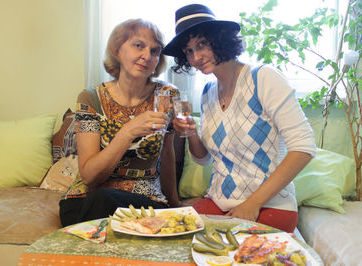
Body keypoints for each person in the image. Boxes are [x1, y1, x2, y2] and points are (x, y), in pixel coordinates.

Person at [162, 4, 316, 233]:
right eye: (189, 51)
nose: (196, 57)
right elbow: (204, 159)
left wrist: (252, 203)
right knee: (169, 239)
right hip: (219, 202)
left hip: (270, 206)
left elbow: (304, 147)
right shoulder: (207, 93)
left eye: (202, 44)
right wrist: (191, 133)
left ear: (220, 39)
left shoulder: (263, 78)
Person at [59, 19, 181, 227]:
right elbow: (89, 177)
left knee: (111, 207)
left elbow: (167, 155)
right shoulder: (90, 98)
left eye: (154, 51)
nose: (147, 56)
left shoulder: (167, 96)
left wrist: (175, 205)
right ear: (117, 50)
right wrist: (128, 132)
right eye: (138, 45)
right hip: (88, 199)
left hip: (145, 202)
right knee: (103, 198)